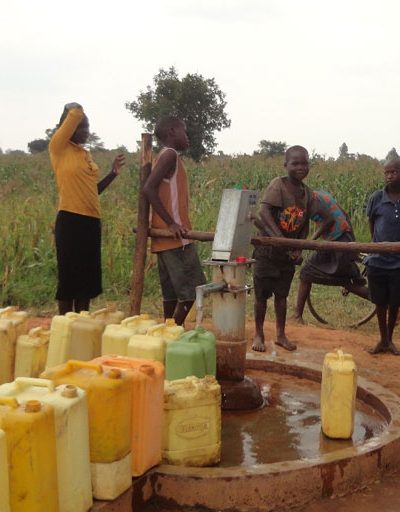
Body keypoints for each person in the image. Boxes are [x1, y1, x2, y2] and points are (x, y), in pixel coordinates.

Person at [49, 102, 125, 315]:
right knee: (69, 277)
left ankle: (82, 322)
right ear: (69, 127)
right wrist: (75, 108)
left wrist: (112, 173)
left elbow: (93, 191)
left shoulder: (84, 155)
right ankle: (65, 323)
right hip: (70, 220)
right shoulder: (58, 147)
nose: (86, 131)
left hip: (91, 222)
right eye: (81, 127)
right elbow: (73, 114)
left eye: (88, 127)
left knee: (87, 279)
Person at [252, 145, 330, 352]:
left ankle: (280, 334)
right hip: (267, 252)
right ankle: (259, 334)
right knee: (261, 296)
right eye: (295, 163)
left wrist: (298, 248)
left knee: (281, 296)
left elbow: (305, 224)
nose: (300, 167)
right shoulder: (278, 185)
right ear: (285, 165)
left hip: (287, 256)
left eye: (305, 163)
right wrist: (278, 238)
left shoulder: (307, 193)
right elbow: (264, 212)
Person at [143, 116, 206, 325]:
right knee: (192, 292)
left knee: (171, 295)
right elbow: (149, 188)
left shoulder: (164, 156)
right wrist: (171, 223)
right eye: (184, 131)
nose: (187, 137)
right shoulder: (169, 154)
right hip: (177, 239)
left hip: (164, 239)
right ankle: (173, 330)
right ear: (172, 132)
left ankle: (166, 330)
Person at [292, 190, 369, 323]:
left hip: (336, 240)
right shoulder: (322, 195)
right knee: (346, 282)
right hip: (343, 238)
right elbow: (345, 215)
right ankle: (387, 302)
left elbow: (328, 220)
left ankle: (297, 316)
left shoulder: (311, 200)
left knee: (306, 273)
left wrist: (311, 241)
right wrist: (353, 242)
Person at [365, 157, 400, 355]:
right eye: (387, 172)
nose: (389, 176)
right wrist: (377, 246)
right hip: (378, 261)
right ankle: (383, 339)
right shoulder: (377, 198)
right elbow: (372, 223)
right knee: (380, 302)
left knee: (395, 303)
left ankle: (390, 339)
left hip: (398, 263)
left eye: (394, 171)